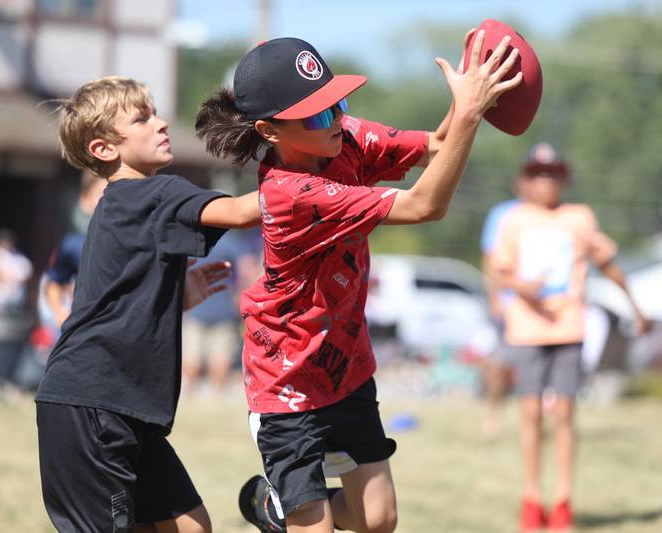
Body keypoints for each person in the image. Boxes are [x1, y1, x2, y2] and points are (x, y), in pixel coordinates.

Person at [196, 32, 522, 532]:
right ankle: (280, 503)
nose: (338, 119)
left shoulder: (344, 136)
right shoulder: (290, 194)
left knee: (379, 519)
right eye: (320, 113)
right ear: (270, 130)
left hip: (347, 366)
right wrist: (471, 115)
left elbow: (436, 148)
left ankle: (277, 503)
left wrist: (467, 101)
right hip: (288, 384)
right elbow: (424, 205)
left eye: (338, 102)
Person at [34, 76, 260, 533]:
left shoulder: (123, 202)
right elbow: (241, 213)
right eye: (142, 118)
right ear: (103, 149)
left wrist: (176, 295)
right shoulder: (155, 193)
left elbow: (115, 298)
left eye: (155, 113)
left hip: (122, 408)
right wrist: (317, 174)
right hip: (94, 405)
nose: (161, 124)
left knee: (190, 525)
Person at [492, 142, 651, 531]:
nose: (546, 181)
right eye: (538, 174)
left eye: (553, 174)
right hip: (527, 329)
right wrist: (520, 288)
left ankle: (563, 499)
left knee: (563, 413)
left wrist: (635, 306)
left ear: (564, 180)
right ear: (525, 181)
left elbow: (607, 262)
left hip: (568, 328)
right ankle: (532, 498)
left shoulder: (579, 218)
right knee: (531, 413)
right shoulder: (513, 220)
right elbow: (500, 269)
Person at [478, 178, 528, 438]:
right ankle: (493, 416)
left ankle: (531, 420)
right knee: (498, 364)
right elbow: (490, 259)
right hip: (510, 302)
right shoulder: (503, 214)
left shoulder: (557, 215)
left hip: (542, 308)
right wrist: (494, 297)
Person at [181, 228, 258, 397]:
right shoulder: (231, 239)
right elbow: (248, 269)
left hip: (197, 309)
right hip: (220, 309)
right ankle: (215, 401)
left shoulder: (191, 236)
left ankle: (194, 403)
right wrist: (243, 296)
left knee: (193, 361)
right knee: (217, 360)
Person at [38, 171, 106, 337]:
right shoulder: (74, 244)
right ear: (85, 200)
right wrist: (59, 313)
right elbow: (53, 281)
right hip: (85, 334)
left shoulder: (132, 238)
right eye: (102, 194)